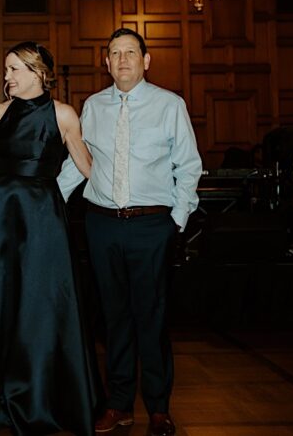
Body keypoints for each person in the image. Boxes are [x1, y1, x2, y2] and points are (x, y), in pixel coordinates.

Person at [0, 42, 101, 435]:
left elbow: (87, 167)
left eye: (14, 69)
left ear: (37, 72)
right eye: (6, 69)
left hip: (43, 220)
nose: (6, 77)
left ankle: (41, 398)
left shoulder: (64, 114)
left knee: (42, 305)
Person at [58, 27, 202, 436]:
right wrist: (45, 199)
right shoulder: (93, 107)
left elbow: (188, 166)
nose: (122, 60)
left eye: (130, 53)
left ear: (146, 60)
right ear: (106, 62)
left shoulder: (169, 105)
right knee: (114, 318)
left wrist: (176, 221)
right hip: (102, 224)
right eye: (114, 53)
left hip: (153, 225)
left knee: (151, 317)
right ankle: (119, 404)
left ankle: (158, 407)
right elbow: (78, 163)